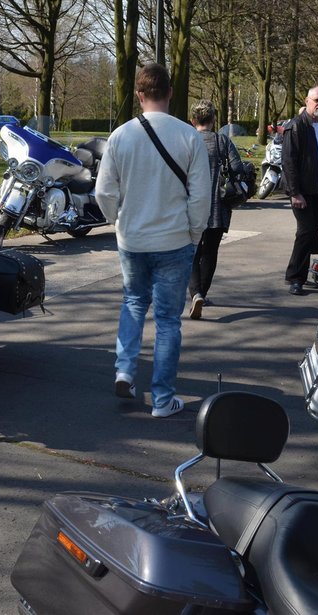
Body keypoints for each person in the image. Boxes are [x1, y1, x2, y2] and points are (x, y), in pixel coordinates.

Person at [94, 63, 211, 418]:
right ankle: (162, 399)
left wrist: (116, 221)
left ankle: (125, 371)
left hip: (133, 239)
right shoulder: (189, 136)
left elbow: (103, 191)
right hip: (174, 240)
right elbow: (200, 196)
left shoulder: (120, 136)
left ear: (139, 96)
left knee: (132, 303)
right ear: (171, 93)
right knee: (167, 321)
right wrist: (194, 232)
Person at [187, 100, 248, 320]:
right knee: (210, 252)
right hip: (217, 207)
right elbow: (238, 169)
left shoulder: (186, 141)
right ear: (213, 119)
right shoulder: (222, 141)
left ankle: (195, 293)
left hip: (190, 207)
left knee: (192, 253)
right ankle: (202, 292)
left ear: (193, 121)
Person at [282, 85, 318, 296]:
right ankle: (296, 278)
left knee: (309, 232)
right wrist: (295, 193)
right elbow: (289, 161)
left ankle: (295, 272)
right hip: (303, 191)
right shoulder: (296, 126)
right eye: (317, 100)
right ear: (307, 100)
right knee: (305, 232)